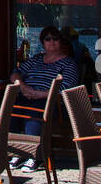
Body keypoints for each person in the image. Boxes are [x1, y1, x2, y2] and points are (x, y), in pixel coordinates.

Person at [9, 27, 79, 169]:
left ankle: (35, 155)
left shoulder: (68, 64)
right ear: (43, 43)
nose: (51, 42)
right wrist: (22, 86)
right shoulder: (36, 59)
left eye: (55, 39)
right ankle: (17, 152)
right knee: (11, 114)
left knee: (33, 116)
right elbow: (15, 74)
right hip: (27, 96)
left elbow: (65, 88)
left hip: (51, 102)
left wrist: (39, 94)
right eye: (47, 39)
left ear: (61, 42)